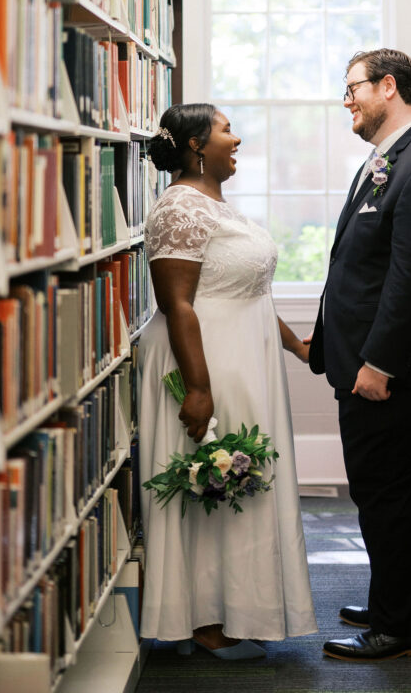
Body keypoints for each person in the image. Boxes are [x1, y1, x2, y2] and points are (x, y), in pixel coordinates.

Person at [307, 49, 411, 662]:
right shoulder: (391, 160)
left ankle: (398, 627)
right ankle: (408, 603)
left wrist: (379, 364)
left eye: (353, 88)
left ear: (388, 87)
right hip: (372, 363)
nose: (345, 99)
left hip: (392, 372)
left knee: (386, 495)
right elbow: (361, 265)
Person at [138, 102, 317, 660]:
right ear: (196, 146)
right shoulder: (179, 208)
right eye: (224, 130)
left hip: (243, 362)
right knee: (211, 486)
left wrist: (296, 346)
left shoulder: (213, 204)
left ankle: (240, 608)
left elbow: (248, 289)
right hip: (204, 363)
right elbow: (179, 304)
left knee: (241, 482)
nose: (235, 140)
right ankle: (205, 621)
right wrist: (198, 388)